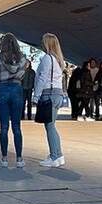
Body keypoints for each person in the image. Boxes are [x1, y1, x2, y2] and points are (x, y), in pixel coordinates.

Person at [0, 33, 27, 168]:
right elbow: (22, 75)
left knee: (4, 126)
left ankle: (4, 159)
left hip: (3, 89)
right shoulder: (22, 59)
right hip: (17, 89)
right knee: (17, 127)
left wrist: (1, 79)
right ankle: (19, 159)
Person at [36, 33, 67, 167]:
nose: (41, 44)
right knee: (52, 125)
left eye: (43, 42)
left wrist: (36, 96)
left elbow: (42, 78)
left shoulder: (47, 58)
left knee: (50, 126)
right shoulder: (59, 60)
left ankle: (55, 156)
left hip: (48, 94)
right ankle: (57, 154)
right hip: (58, 94)